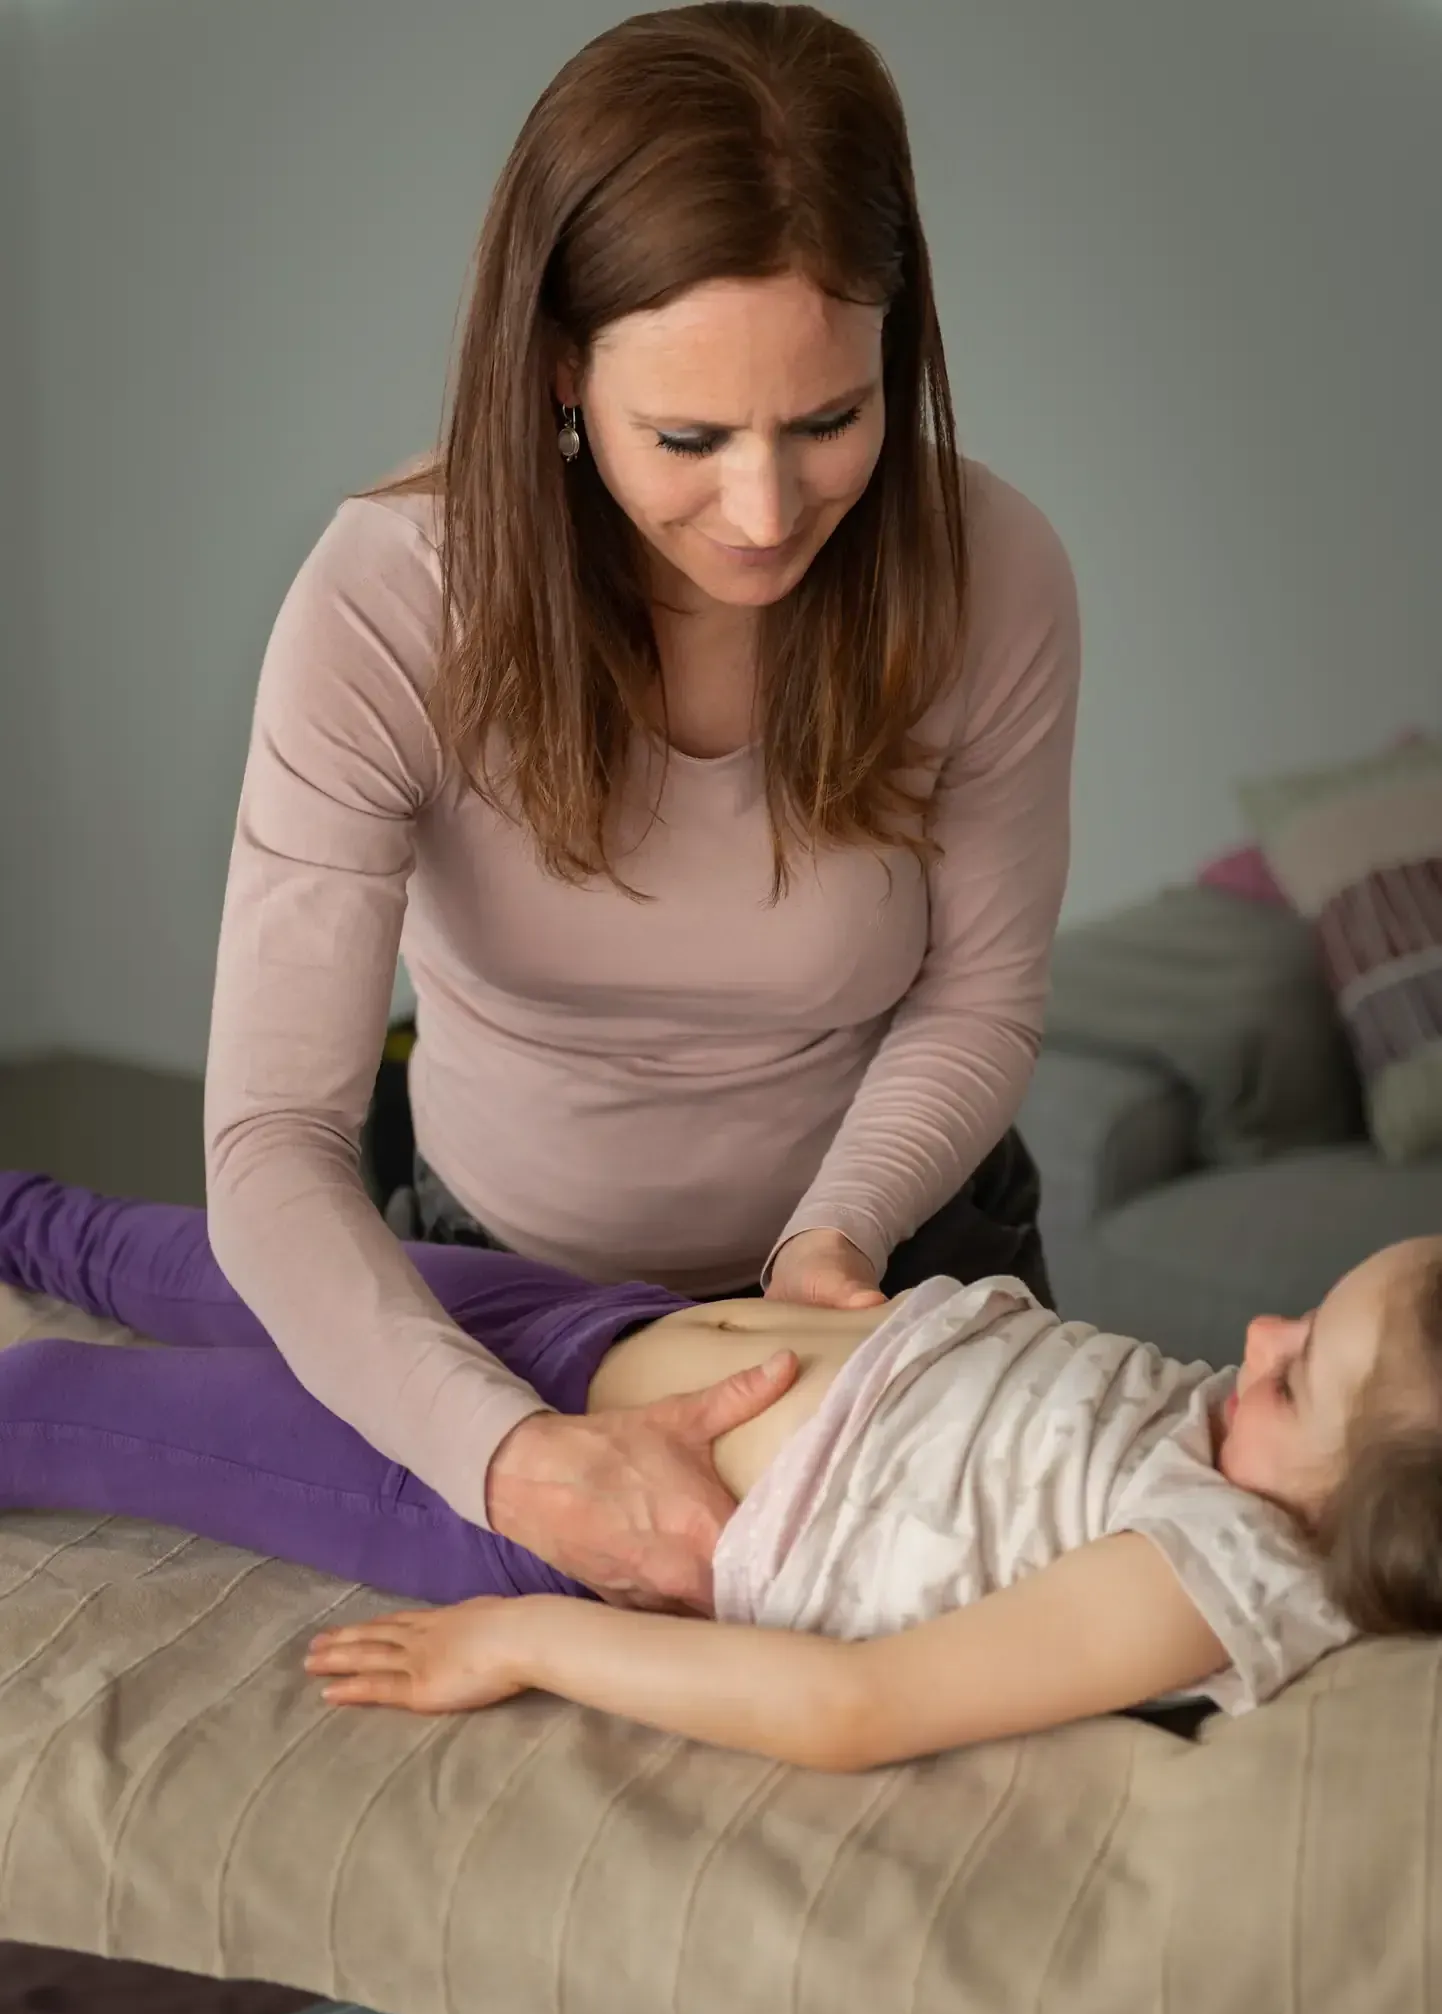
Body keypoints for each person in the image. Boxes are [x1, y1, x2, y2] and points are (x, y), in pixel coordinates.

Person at [203, 1, 1079, 1618]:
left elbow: (978, 996)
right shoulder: (387, 604)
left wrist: (829, 1251)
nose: (764, 511)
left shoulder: (990, 575)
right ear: (558, 367)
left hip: (887, 1263)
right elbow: (271, 1141)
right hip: (506, 1291)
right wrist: (506, 1456)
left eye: (829, 423)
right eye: (687, 437)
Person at [4, 1173, 1440, 1769]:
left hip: (528, 1510)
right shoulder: (1251, 1451)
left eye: (1296, 1374)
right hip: (602, 1324)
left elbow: (854, 1708)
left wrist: (521, 1638)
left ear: (1365, 1522)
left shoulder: (1207, 1572)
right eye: (1299, 1315)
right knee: (181, 1253)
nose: (1255, 1340)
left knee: (76, 1406)